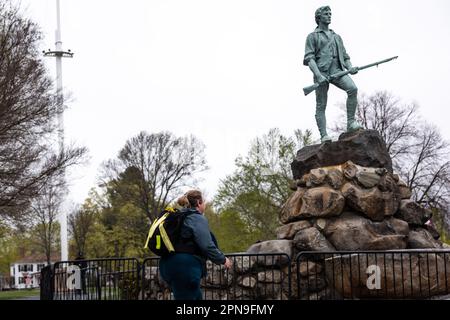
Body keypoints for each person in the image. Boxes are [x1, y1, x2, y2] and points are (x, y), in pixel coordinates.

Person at [303, 6, 363, 143]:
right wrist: (318, 75)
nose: (329, 16)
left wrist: (350, 67)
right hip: (322, 72)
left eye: (330, 13)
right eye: (326, 14)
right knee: (321, 105)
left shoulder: (337, 37)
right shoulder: (312, 36)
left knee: (353, 89)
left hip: (338, 70)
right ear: (319, 17)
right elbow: (309, 58)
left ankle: (351, 123)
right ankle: (324, 135)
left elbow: (345, 56)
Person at [159, 190, 232, 300]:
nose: (205, 204)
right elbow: (207, 245)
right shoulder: (196, 218)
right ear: (199, 202)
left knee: (196, 296)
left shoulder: (179, 216)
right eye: (204, 202)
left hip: (167, 265)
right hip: (185, 268)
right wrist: (222, 259)